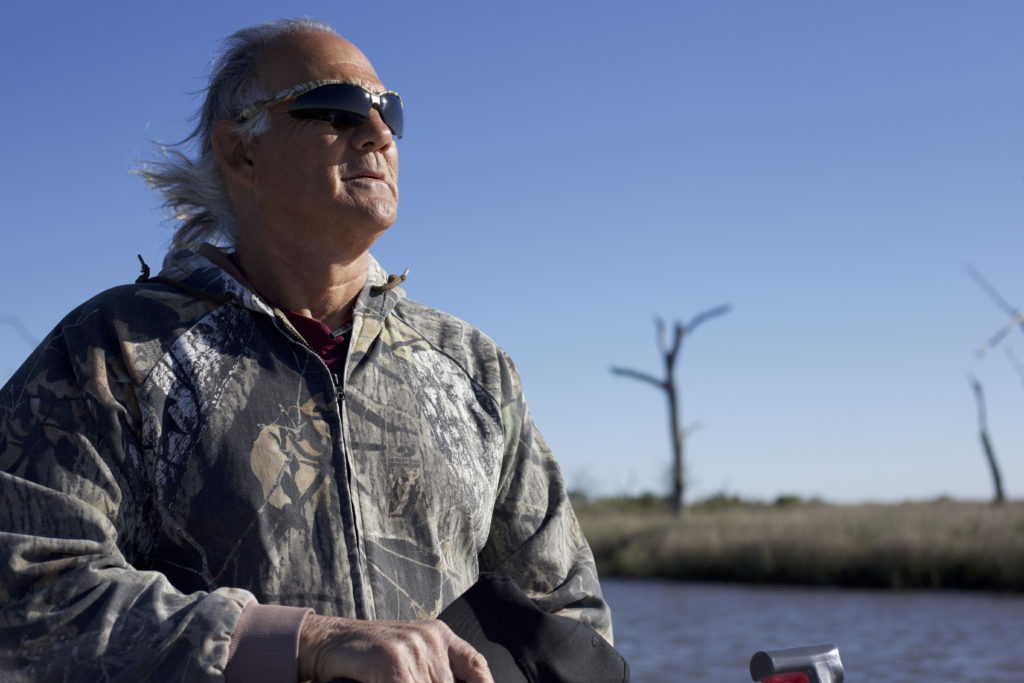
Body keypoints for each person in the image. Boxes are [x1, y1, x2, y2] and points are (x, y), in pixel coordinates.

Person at [0, 17, 612, 683]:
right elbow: (22, 588)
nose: (377, 133)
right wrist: (302, 642)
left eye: (389, 113)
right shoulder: (112, 350)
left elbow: (567, 616)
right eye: (338, 107)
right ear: (241, 152)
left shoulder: (474, 368)